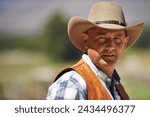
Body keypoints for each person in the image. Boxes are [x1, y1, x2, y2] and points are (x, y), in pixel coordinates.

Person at [46, 2, 144, 100]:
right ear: (86, 41)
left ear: (125, 42)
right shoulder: (72, 84)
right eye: (101, 38)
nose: (111, 47)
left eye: (118, 39)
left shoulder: (117, 87)